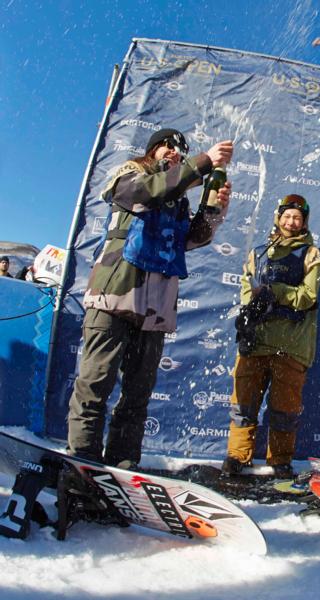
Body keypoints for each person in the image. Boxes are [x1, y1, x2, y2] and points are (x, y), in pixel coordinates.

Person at [67, 128, 233, 468]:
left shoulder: (177, 200)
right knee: (94, 387)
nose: (175, 152)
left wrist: (214, 209)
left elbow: (192, 238)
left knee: (137, 397)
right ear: (152, 149)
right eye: (169, 146)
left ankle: (123, 468)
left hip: (154, 309)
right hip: (113, 297)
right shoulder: (129, 174)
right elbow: (145, 193)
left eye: (182, 150)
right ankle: (83, 464)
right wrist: (202, 162)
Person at [222, 194, 320, 478]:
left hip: (290, 345)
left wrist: (273, 292)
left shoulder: (311, 254)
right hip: (256, 342)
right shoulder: (259, 252)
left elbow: (309, 296)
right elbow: (246, 287)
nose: (291, 222)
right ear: (278, 218)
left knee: (284, 410)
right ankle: (237, 456)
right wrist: (250, 304)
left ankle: (280, 460)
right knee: (243, 405)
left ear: (303, 223)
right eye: (287, 216)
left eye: (297, 218)